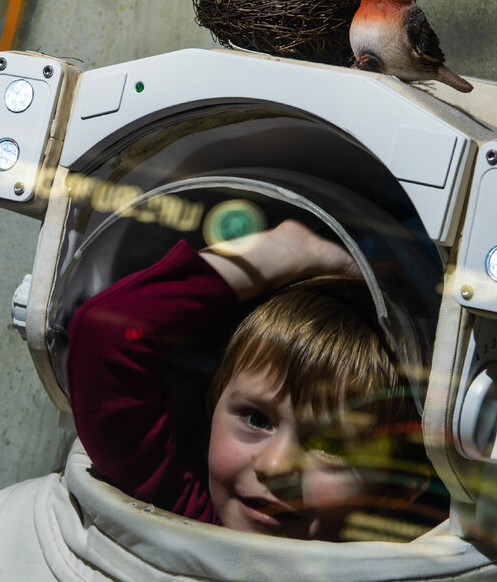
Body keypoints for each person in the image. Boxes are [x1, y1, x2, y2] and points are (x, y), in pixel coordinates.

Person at [67, 219, 432, 541]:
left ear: (395, 492)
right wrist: (284, 251)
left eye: (331, 445)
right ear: (212, 410)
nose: (275, 467)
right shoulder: (184, 514)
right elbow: (106, 333)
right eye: (256, 419)